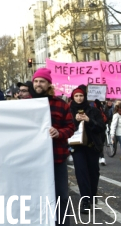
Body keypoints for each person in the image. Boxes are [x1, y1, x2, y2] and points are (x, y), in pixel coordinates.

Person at [32, 68, 75, 226]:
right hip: (32, 160)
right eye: (36, 81)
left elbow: (71, 128)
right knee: (36, 195)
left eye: (41, 81)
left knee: (61, 196)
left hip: (56, 158)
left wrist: (59, 132)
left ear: (48, 84)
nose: (38, 84)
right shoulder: (25, 104)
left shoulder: (61, 105)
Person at [69, 85, 104, 212]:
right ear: (73, 97)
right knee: (81, 172)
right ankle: (85, 200)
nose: (79, 98)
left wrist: (89, 120)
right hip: (77, 148)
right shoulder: (69, 111)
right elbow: (66, 128)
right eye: (76, 96)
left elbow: (101, 127)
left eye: (81, 96)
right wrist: (75, 121)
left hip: (92, 146)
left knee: (93, 173)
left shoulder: (93, 111)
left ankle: (92, 195)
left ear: (85, 97)